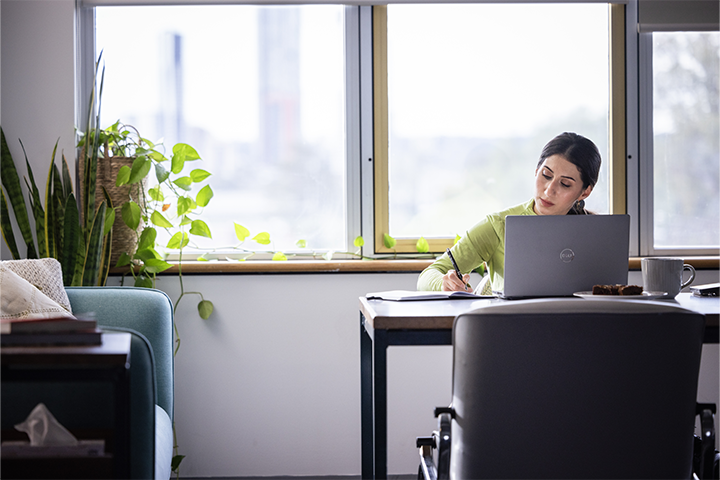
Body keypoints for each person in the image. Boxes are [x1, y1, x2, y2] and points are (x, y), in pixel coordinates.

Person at [417, 132, 601, 295]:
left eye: (565, 184)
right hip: (512, 327)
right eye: (546, 175)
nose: (549, 190)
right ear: (536, 171)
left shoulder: (598, 233)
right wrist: (444, 282)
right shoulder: (499, 224)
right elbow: (427, 276)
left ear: (585, 192)